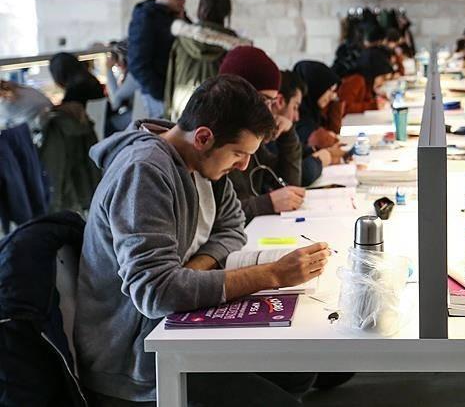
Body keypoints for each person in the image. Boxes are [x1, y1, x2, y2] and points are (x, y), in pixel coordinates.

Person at [74, 74, 331, 406]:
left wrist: (192, 270)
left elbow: (233, 228)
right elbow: (155, 292)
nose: (243, 166)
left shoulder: (201, 162)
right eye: (238, 153)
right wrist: (273, 274)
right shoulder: (143, 172)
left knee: (299, 372)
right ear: (203, 137)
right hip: (136, 362)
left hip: (171, 323)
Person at [218, 46, 307, 221]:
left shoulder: (250, 136)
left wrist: (288, 136)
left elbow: (288, 187)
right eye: (263, 100)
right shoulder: (216, 141)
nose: (268, 112)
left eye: (271, 102)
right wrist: (267, 203)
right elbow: (214, 217)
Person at [164, 0, 252, 120]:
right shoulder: (236, 48)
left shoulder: (182, 39)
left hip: (182, 114)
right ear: (226, 13)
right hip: (219, 117)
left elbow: (170, 81)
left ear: (200, 8)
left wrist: (168, 115)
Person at [127, 0, 193, 118]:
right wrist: (162, 93)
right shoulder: (145, 18)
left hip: (177, 91)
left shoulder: (176, 13)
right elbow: (137, 64)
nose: (183, 2)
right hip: (159, 96)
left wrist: (183, 21)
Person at [293, 60, 349, 184]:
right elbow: (327, 141)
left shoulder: (314, 111)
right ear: (316, 87)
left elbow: (334, 131)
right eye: (329, 90)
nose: (332, 95)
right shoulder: (300, 118)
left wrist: (335, 101)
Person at [338, 46, 395, 115]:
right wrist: (373, 105)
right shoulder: (356, 80)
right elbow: (344, 108)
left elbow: (365, 100)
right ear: (374, 72)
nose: (383, 82)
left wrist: (377, 99)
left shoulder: (367, 82)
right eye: (382, 78)